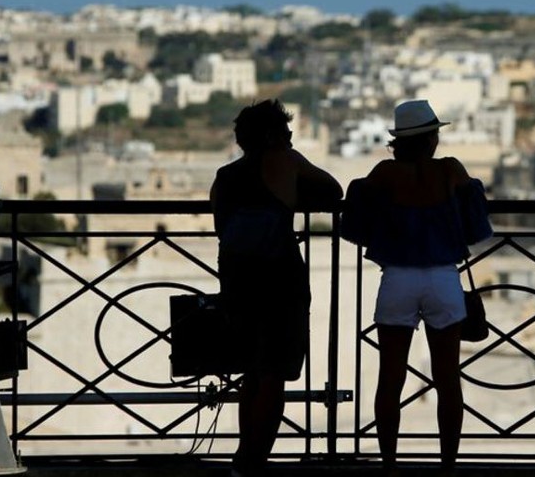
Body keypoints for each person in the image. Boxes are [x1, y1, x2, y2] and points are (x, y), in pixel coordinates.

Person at [341, 99, 492, 476]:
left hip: (398, 280)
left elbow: (354, 225)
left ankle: (389, 462)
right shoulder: (450, 171)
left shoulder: (383, 174)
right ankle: (447, 465)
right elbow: (477, 227)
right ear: (432, 138)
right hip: (443, 279)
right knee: (448, 379)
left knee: (390, 378)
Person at [210, 99, 343, 476]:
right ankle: (255, 461)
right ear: (271, 136)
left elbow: (221, 227)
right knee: (274, 375)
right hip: (279, 279)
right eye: (285, 133)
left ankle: (243, 457)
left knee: (251, 373)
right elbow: (333, 191)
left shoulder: (224, 176)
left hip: (236, 280)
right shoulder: (285, 162)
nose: (289, 139)